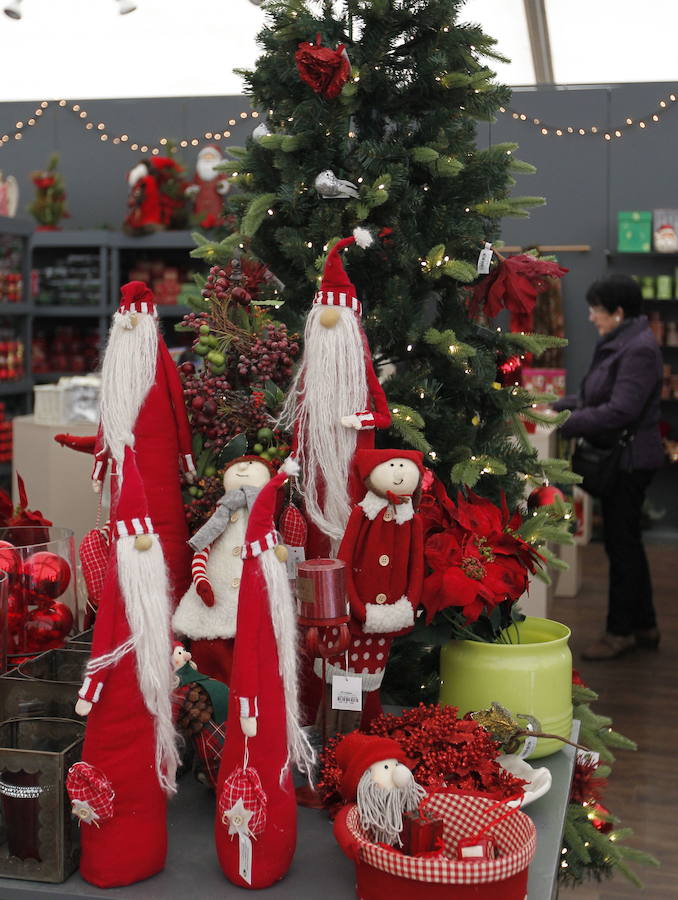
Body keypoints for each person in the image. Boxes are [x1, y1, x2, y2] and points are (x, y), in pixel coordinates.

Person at [554, 273, 663, 660]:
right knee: (626, 543)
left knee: (621, 547)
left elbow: (620, 411)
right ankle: (645, 625)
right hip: (625, 458)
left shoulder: (638, 350)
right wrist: (554, 407)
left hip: (629, 461)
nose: (590, 316)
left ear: (617, 311)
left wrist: (562, 421)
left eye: (596, 309)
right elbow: (590, 398)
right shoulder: (620, 341)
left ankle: (620, 632)